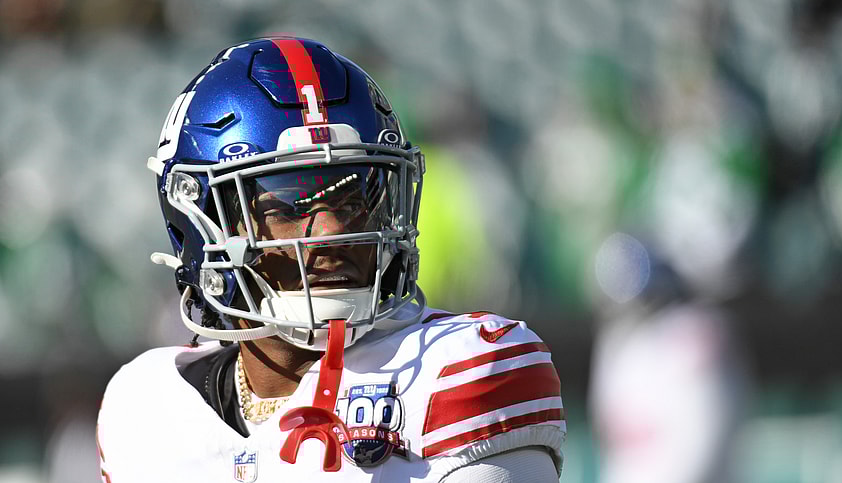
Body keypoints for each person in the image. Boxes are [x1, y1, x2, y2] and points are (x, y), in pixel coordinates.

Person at [96, 36, 566, 482]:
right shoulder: (144, 410)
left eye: (354, 197)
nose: (333, 230)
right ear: (202, 223)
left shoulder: (457, 374)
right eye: (290, 202)